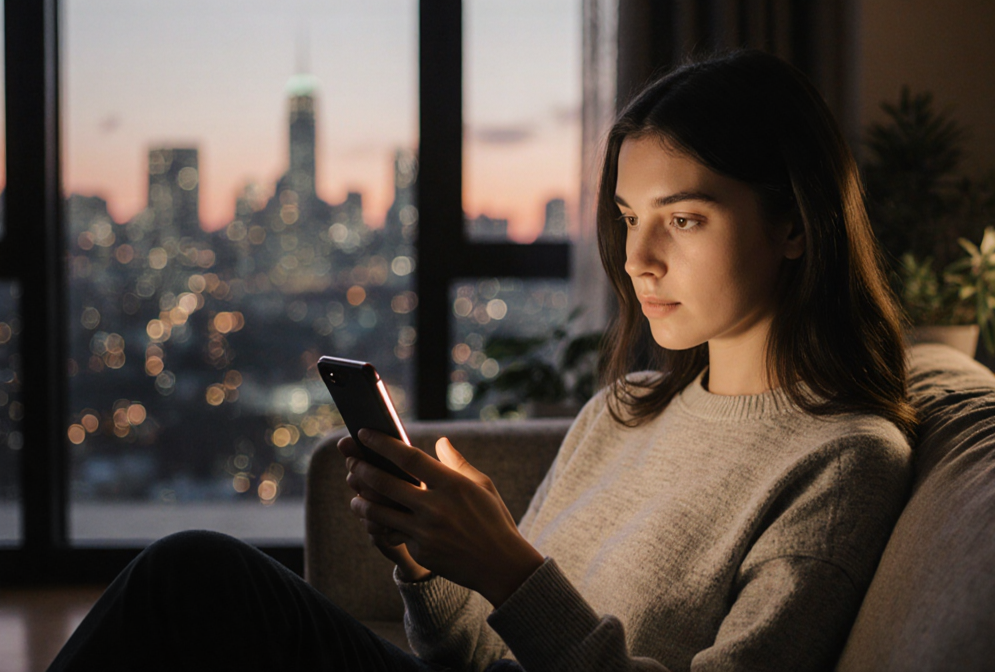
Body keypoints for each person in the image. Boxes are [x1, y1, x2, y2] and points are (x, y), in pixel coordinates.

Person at [50, 50, 915, 672]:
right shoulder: (628, 409)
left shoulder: (841, 460)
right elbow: (480, 654)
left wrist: (509, 567)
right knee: (194, 576)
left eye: (684, 219)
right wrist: (429, 565)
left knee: (194, 577)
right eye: (626, 214)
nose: (638, 255)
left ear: (795, 224)